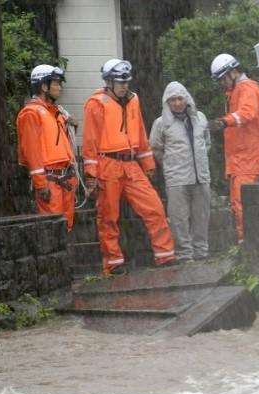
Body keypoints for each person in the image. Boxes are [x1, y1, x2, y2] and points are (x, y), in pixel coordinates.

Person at [82, 58, 177, 275]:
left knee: (154, 208)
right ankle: (113, 263)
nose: (125, 86)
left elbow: (141, 133)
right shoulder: (95, 104)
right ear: (109, 82)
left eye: (126, 81)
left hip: (132, 165)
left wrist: (148, 164)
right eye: (120, 82)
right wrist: (91, 175)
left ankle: (165, 255)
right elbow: (90, 142)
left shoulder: (134, 100)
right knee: (108, 216)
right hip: (107, 164)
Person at [208, 53, 259, 242]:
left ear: (233, 73)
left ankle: (248, 244)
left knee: (243, 203)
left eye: (222, 79)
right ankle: (248, 242)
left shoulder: (247, 89)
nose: (222, 83)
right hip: (242, 158)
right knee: (242, 203)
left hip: (247, 158)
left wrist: (224, 122)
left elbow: (247, 113)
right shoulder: (240, 90)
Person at [150, 82, 212, 263]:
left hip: (201, 176)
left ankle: (201, 251)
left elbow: (206, 143)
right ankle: (185, 254)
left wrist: (198, 161)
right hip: (177, 177)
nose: (177, 103)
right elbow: (156, 148)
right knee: (179, 218)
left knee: (202, 215)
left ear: (186, 98)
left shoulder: (200, 118)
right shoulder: (161, 123)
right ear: (166, 102)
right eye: (172, 100)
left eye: (179, 98)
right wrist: (171, 164)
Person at [16, 64, 78, 231]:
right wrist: (40, 184)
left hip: (64, 179)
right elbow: (32, 152)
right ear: (44, 86)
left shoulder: (55, 113)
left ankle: (65, 257)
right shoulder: (31, 113)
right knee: (53, 230)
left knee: (67, 227)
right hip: (50, 182)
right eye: (56, 83)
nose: (60, 88)